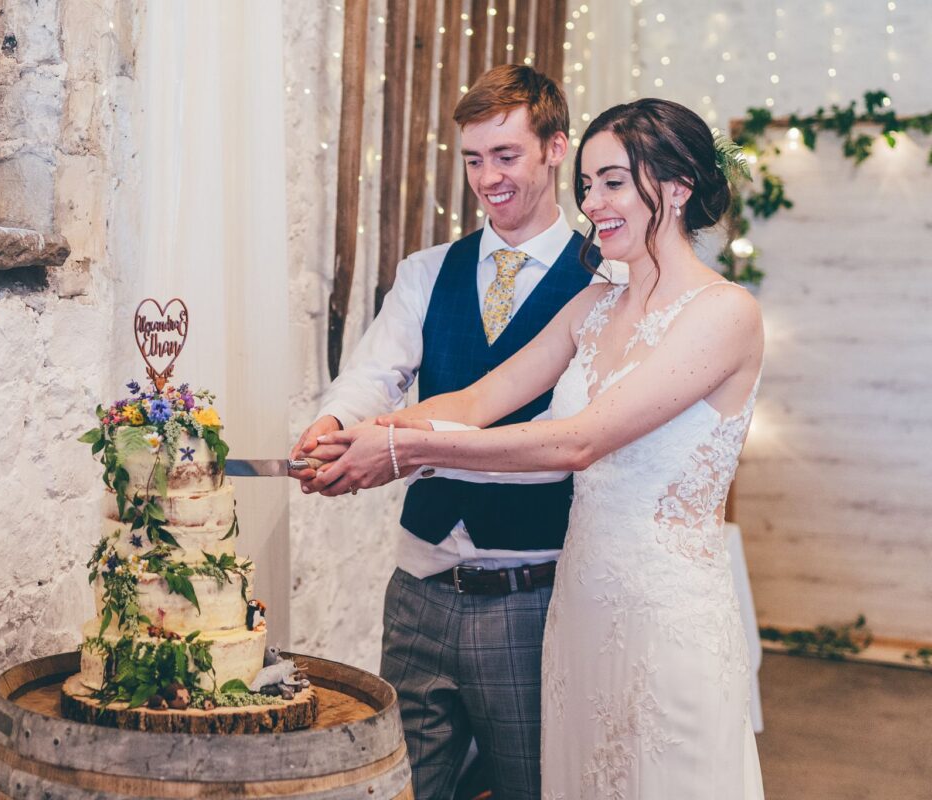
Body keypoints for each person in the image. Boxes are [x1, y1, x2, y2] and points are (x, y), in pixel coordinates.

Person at [309, 98, 766, 799]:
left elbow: (579, 441)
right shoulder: (592, 307)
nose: (593, 201)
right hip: (579, 610)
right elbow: (474, 403)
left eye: (613, 181)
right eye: (587, 184)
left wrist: (403, 456)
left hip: (664, 619)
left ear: (675, 188)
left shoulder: (725, 313)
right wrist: (361, 437)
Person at [291, 64, 620, 799]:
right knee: (404, 784)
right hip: (419, 588)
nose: (487, 178)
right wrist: (333, 425)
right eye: (473, 159)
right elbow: (375, 373)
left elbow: (567, 436)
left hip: (531, 590)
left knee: (532, 786)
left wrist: (396, 447)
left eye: (506, 156)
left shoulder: (605, 283)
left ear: (555, 148)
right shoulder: (427, 270)